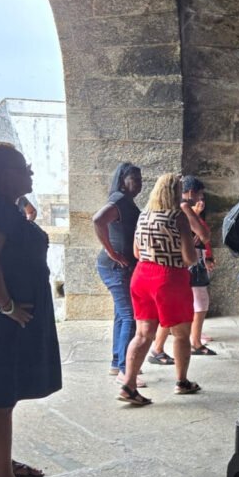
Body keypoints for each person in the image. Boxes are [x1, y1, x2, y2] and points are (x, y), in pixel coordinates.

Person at [0, 142, 61, 477]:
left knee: (0, 397)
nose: (30, 172)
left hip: (7, 320)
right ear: (2, 175)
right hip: (1, 323)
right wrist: (7, 305)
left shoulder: (6, 207)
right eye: (23, 166)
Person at [118, 173, 199, 405]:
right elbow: (190, 258)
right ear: (174, 192)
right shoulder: (178, 217)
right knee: (181, 333)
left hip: (142, 276)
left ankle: (128, 385)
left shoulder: (144, 215)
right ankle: (182, 382)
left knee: (143, 334)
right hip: (170, 278)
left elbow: (136, 252)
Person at [147, 175, 216, 362]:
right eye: (199, 194)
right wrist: (196, 218)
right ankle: (171, 350)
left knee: (172, 309)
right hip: (183, 264)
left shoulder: (152, 212)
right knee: (187, 307)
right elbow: (204, 235)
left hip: (165, 265)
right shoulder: (183, 208)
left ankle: (160, 348)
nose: (200, 198)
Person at [93, 162, 143, 384]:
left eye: (140, 180)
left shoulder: (125, 201)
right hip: (115, 268)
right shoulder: (119, 200)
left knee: (121, 315)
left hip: (119, 267)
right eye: (135, 179)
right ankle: (125, 371)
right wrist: (111, 252)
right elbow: (98, 220)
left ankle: (117, 363)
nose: (139, 184)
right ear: (123, 180)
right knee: (130, 317)